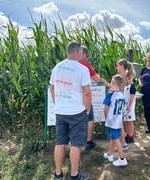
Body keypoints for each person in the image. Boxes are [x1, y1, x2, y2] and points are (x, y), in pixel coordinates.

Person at [50, 41, 92, 180]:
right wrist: (87, 108)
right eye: (81, 51)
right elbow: (87, 92)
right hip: (76, 112)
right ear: (77, 51)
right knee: (75, 144)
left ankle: (58, 174)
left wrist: (58, 103)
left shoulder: (57, 67)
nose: (82, 54)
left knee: (60, 142)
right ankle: (74, 175)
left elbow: (52, 87)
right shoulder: (82, 69)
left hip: (60, 111)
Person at [78, 46, 110, 151]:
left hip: (72, 99)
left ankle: (75, 141)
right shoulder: (85, 64)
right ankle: (88, 141)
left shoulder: (70, 63)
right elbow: (96, 78)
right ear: (84, 54)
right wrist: (108, 84)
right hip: (84, 97)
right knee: (89, 119)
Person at [103, 74, 128, 166]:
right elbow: (125, 109)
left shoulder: (111, 94)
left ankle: (122, 158)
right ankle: (110, 154)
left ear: (113, 83)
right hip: (118, 120)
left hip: (112, 120)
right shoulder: (122, 95)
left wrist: (107, 118)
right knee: (113, 137)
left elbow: (105, 108)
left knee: (116, 138)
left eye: (111, 81)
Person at [117, 59, 136, 143]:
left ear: (128, 78)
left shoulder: (132, 87)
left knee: (130, 121)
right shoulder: (126, 87)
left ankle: (131, 136)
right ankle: (128, 135)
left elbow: (132, 97)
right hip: (126, 106)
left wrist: (129, 105)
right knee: (126, 121)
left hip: (129, 106)